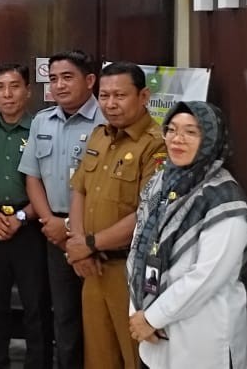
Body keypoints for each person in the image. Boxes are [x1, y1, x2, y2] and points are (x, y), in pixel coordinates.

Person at [127, 101, 247, 368]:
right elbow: (139, 245)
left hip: (200, 336)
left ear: (210, 140)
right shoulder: (161, 183)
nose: (178, 139)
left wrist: (152, 317)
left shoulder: (225, 200)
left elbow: (205, 278)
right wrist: (139, 311)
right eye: (172, 129)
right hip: (152, 330)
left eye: (191, 132)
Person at [66, 62, 166, 369]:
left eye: (120, 95)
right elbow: (80, 190)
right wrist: (79, 245)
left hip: (131, 272)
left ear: (144, 96)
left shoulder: (157, 144)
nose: (110, 104)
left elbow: (148, 214)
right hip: (93, 268)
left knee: (136, 357)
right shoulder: (99, 136)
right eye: (104, 96)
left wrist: (89, 244)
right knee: (98, 358)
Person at [17, 50, 105, 369]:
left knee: (99, 319)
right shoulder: (42, 121)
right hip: (54, 235)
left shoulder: (107, 121)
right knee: (64, 317)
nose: (59, 85)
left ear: (90, 80)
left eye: (67, 77)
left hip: (98, 237)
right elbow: (32, 177)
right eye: (53, 79)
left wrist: (71, 230)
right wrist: (51, 223)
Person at [0, 63, 50, 369]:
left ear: (27, 91)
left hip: (29, 226)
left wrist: (21, 217)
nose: (7, 94)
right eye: (0, 87)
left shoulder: (41, 129)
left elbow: (48, 184)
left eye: (14, 86)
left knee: (35, 305)